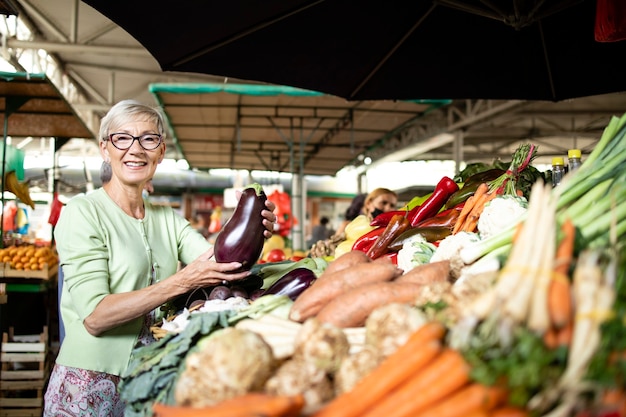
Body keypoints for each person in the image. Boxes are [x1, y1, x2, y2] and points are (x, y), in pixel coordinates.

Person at [43, 99, 276, 416]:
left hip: (148, 380)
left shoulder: (167, 219)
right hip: (87, 386)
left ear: (161, 151)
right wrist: (181, 281)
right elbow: (96, 318)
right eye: (122, 138)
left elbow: (220, 263)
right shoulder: (83, 213)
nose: (135, 149)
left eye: (148, 139)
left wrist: (250, 227)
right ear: (104, 149)